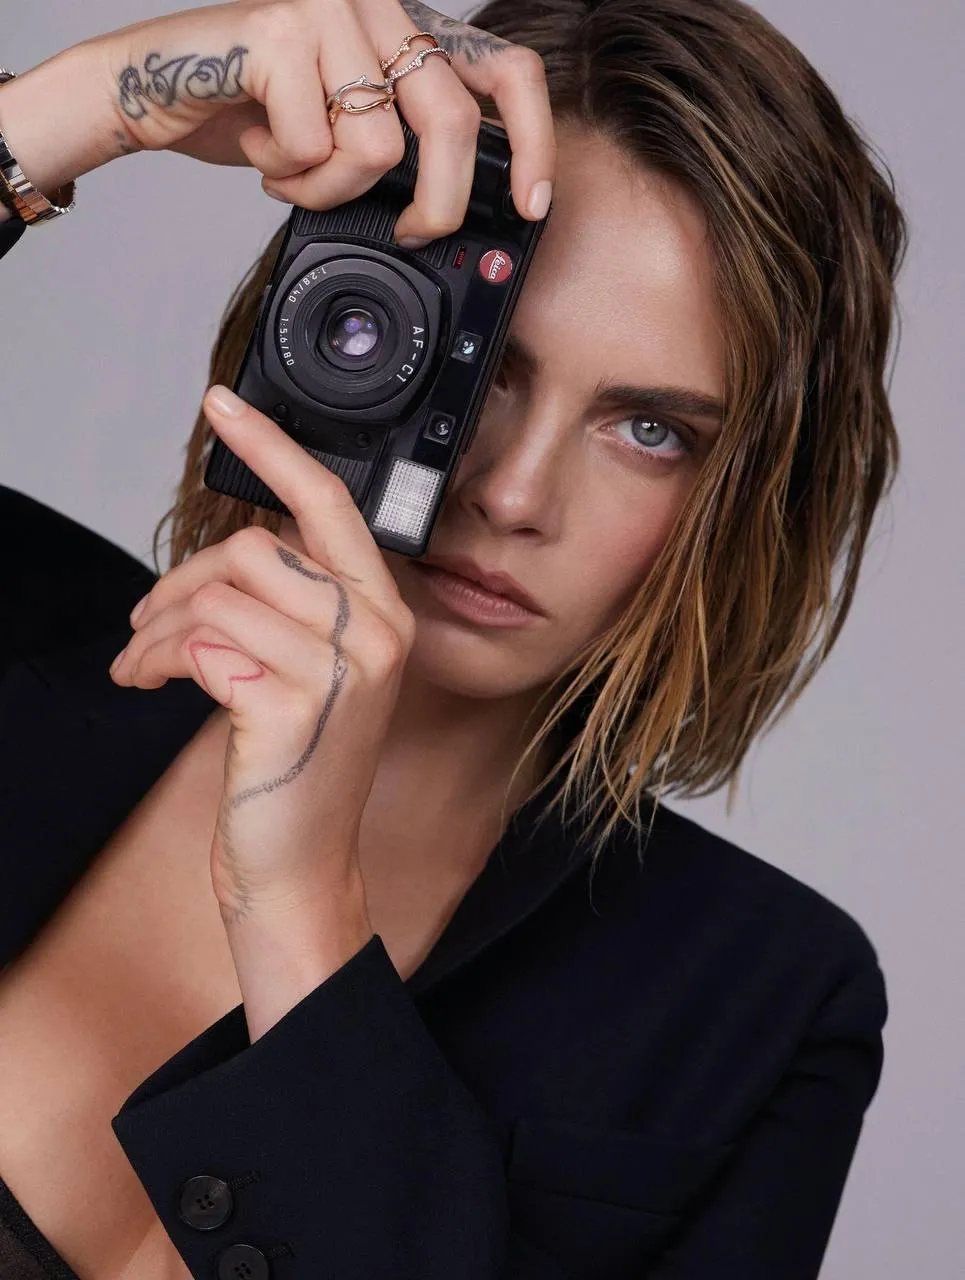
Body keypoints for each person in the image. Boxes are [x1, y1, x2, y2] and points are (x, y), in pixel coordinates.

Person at [0, 0, 907, 1276]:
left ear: (749, 501)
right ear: (335, 305)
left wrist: (303, 913)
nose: (513, 492)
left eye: (650, 428)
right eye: (488, 364)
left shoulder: (765, 1003)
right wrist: (86, 103)